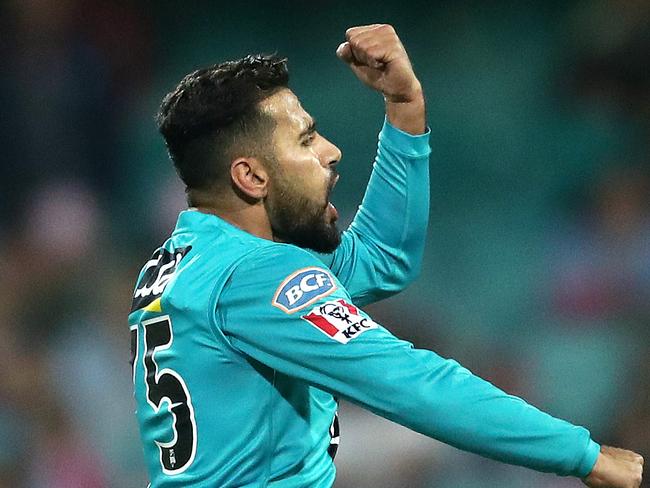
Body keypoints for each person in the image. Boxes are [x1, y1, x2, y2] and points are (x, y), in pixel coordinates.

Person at [128, 24, 644, 488]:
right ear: (252, 176)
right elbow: (410, 382)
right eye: (306, 138)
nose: (330, 150)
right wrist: (584, 455)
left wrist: (404, 108)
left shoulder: (183, 265)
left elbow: (381, 255)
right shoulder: (254, 276)